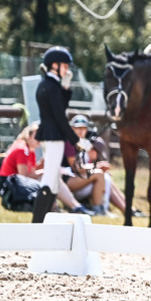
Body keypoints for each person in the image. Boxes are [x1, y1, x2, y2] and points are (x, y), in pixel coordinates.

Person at [32, 46, 92, 223]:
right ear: (54, 65)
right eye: (64, 66)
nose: (67, 70)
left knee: (53, 181)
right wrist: (76, 140)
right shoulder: (50, 87)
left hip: (52, 135)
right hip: (54, 136)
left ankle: (42, 220)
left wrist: (65, 88)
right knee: (49, 179)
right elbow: (60, 117)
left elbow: (60, 108)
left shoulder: (50, 85)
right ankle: (37, 222)